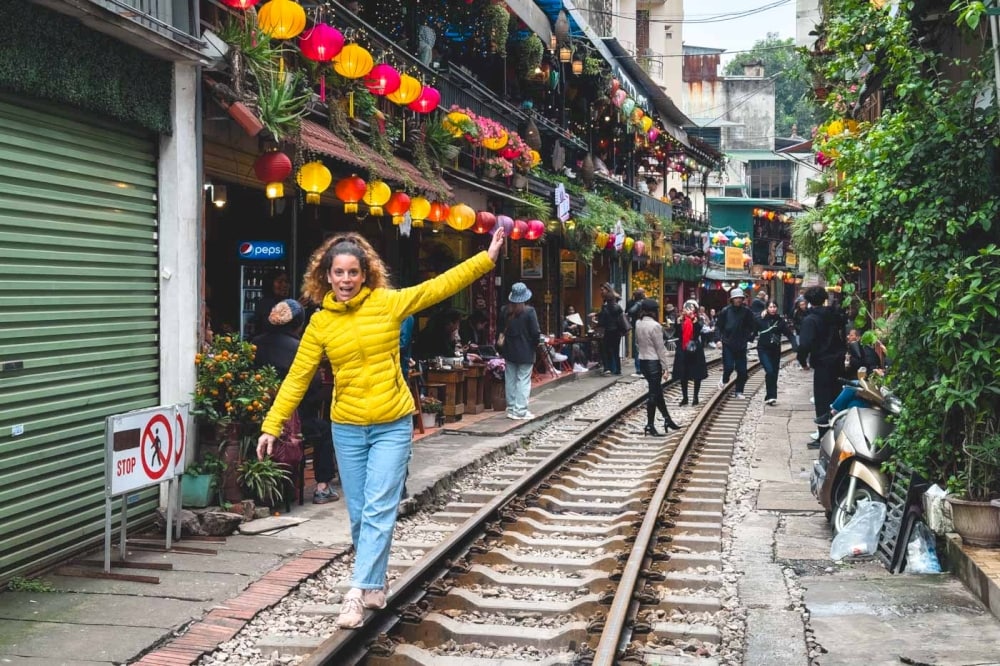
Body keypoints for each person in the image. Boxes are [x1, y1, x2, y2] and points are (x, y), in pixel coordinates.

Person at [256, 227, 505, 629]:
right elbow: (298, 377)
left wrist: (486, 259)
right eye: (338, 273)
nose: (346, 280)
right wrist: (272, 424)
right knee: (359, 514)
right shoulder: (319, 324)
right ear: (326, 276)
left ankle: (356, 591)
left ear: (366, 273)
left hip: (391, 423)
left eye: (353, 272)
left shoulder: (389, 303)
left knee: (378, 507)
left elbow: (438, 287)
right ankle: (374, 584)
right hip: (348, 428)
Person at [252, 299, 339, 504]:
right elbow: (315, 385)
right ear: (299, 324)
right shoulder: (300, 349)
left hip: (260, 419)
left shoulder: (254, 343)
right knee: (325, 431)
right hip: (295, 423)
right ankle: (322, 487)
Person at [796, 286, 847, 446]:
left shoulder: (810, 320)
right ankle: (839, 432)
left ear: (809, 301)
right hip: (838, 361)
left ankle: (824, 437)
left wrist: (803, 361)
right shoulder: (834, 315)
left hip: (822, 362)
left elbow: (804, 344)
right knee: (836, 397)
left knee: (823, 400)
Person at [635, 299, 681, 435]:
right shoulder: (655, 326)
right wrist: (665, 367)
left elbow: (638, 342)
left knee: (657, 391)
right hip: (653, 362)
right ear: (654, 311)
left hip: (643, 360)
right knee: (653, 394)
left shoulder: (638, 323)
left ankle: (667, 419)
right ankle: (649, 424)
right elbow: (660, 348)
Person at [498, 282, 541, 420]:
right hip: (526, 351)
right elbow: (535, 333)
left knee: (510, 379)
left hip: (509, 350)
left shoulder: (504, 310)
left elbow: (499, 329)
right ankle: (520, 410)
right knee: (523, 380)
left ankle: (511, 408)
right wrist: (535, 345)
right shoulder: (529, 312)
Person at [715, 288, 757, 399]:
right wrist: (718, 339)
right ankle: (724, 379)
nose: (738, 300)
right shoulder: (725, 311)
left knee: (742, 370)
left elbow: (753, 326)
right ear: (732, 299)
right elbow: (718, 326)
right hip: (728, 343)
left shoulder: (747, 312)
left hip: (741, 344)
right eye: (736, 298)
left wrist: (749, 337)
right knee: (728, 367)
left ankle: (739, 391)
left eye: (740, 298)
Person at [756, 301, 797, 406]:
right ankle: (770, 396)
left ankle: (771, 397)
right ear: (767, 308)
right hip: (763, 349)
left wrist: (794, 345)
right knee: (769, 371)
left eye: (774, 307)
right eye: (770, 307)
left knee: (774, 373)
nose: (773, 309)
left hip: (775, 350)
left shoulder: (780, 321)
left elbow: (789, 334)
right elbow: (752, 327)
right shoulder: (761, 319)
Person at [673, 299, 708, 406]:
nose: (689, 310)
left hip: (695, 349)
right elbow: (676, 334)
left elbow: (698, 331)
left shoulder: (698, 319)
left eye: (691, 308)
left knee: (696, 374)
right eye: (687, 307)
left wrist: (694, 320)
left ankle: (695, 397)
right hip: (683, 349)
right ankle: (685, 397)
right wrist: (678, 324)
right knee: (683, 374)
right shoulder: (680, 320)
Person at [597, 282, 626, 376]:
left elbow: (603, 320)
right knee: (615, 350)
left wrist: (598, 320)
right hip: (617, 331)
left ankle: (607, 369)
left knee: (605, 349)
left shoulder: (605, 306)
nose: (601, 292)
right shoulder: (617, 306)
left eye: (602, 290)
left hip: (608, 330)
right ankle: (618, 369)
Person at [253, 269, 291, 336]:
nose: (284, 285)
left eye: (287, 282)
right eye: (280, 282)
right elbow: (271, 328)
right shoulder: (265, 304)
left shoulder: (284, 302)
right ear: (270, 284)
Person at [626, 287, 646, 377]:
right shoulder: (646, 302)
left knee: (638, 348)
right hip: (645, 326)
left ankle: (639, 370)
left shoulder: (632, 303)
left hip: (637, 326)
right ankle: (643, 369)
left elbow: (628, 312)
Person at [791, 297, 810, 369]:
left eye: (803, 304)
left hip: (807, 332)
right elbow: (794, 322)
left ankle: (807, 362)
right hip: (799, 332)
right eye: (801, 304)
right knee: (800, 347)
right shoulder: (796, 312)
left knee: (807, 348)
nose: (802, 306)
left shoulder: (809, 312)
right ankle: (801, 362)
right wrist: (798, 328)